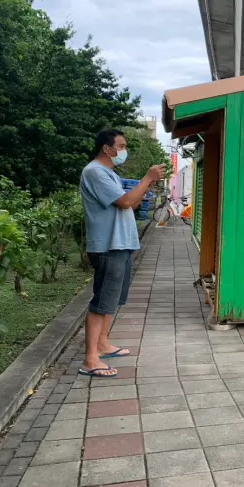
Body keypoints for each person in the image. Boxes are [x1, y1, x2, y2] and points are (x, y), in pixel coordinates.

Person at [78, 129, 166, 377]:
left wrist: (147, 183)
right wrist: (147, 178)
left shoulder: (110, 174)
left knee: (113, 300)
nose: (124, 151)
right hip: (108, 245)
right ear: (107, 148)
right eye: (121, 146)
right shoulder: (95, 172)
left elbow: (133, 201)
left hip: (121, 243)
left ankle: (103, 344)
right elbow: (125, 202)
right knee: (101, 301)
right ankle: (90, 360)